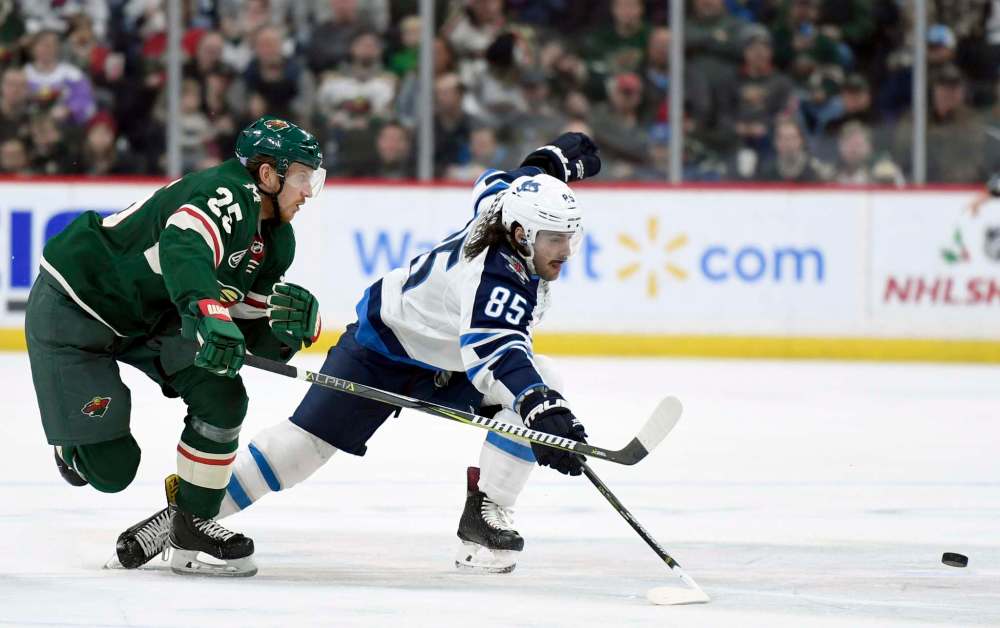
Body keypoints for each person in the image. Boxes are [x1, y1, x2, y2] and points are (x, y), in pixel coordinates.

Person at [116, 132, 601, 575]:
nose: (565, 250)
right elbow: (495, 350)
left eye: (568, 237)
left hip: (449, 357)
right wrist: (542, 410)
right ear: (520, 234)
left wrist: (546, 164)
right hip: (384, 346)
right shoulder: (496, 278)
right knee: (302, 449)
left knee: (543, 381)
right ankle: (189, 517)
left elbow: (496, 182)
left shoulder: (502, 211)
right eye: (554, 238)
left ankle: (485, 513)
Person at [25, 116, 326, 577]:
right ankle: (73, 447)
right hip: (78, 305)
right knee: (110, 470)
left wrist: (288, 331)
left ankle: (192, 522)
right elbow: (183, 243)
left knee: (222, 395)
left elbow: (247, 342)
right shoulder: (226, 193)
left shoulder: (275, 240)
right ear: (268, 175)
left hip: (155, 317)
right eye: (303, 177)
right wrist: (207, 310)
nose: (309, 191)